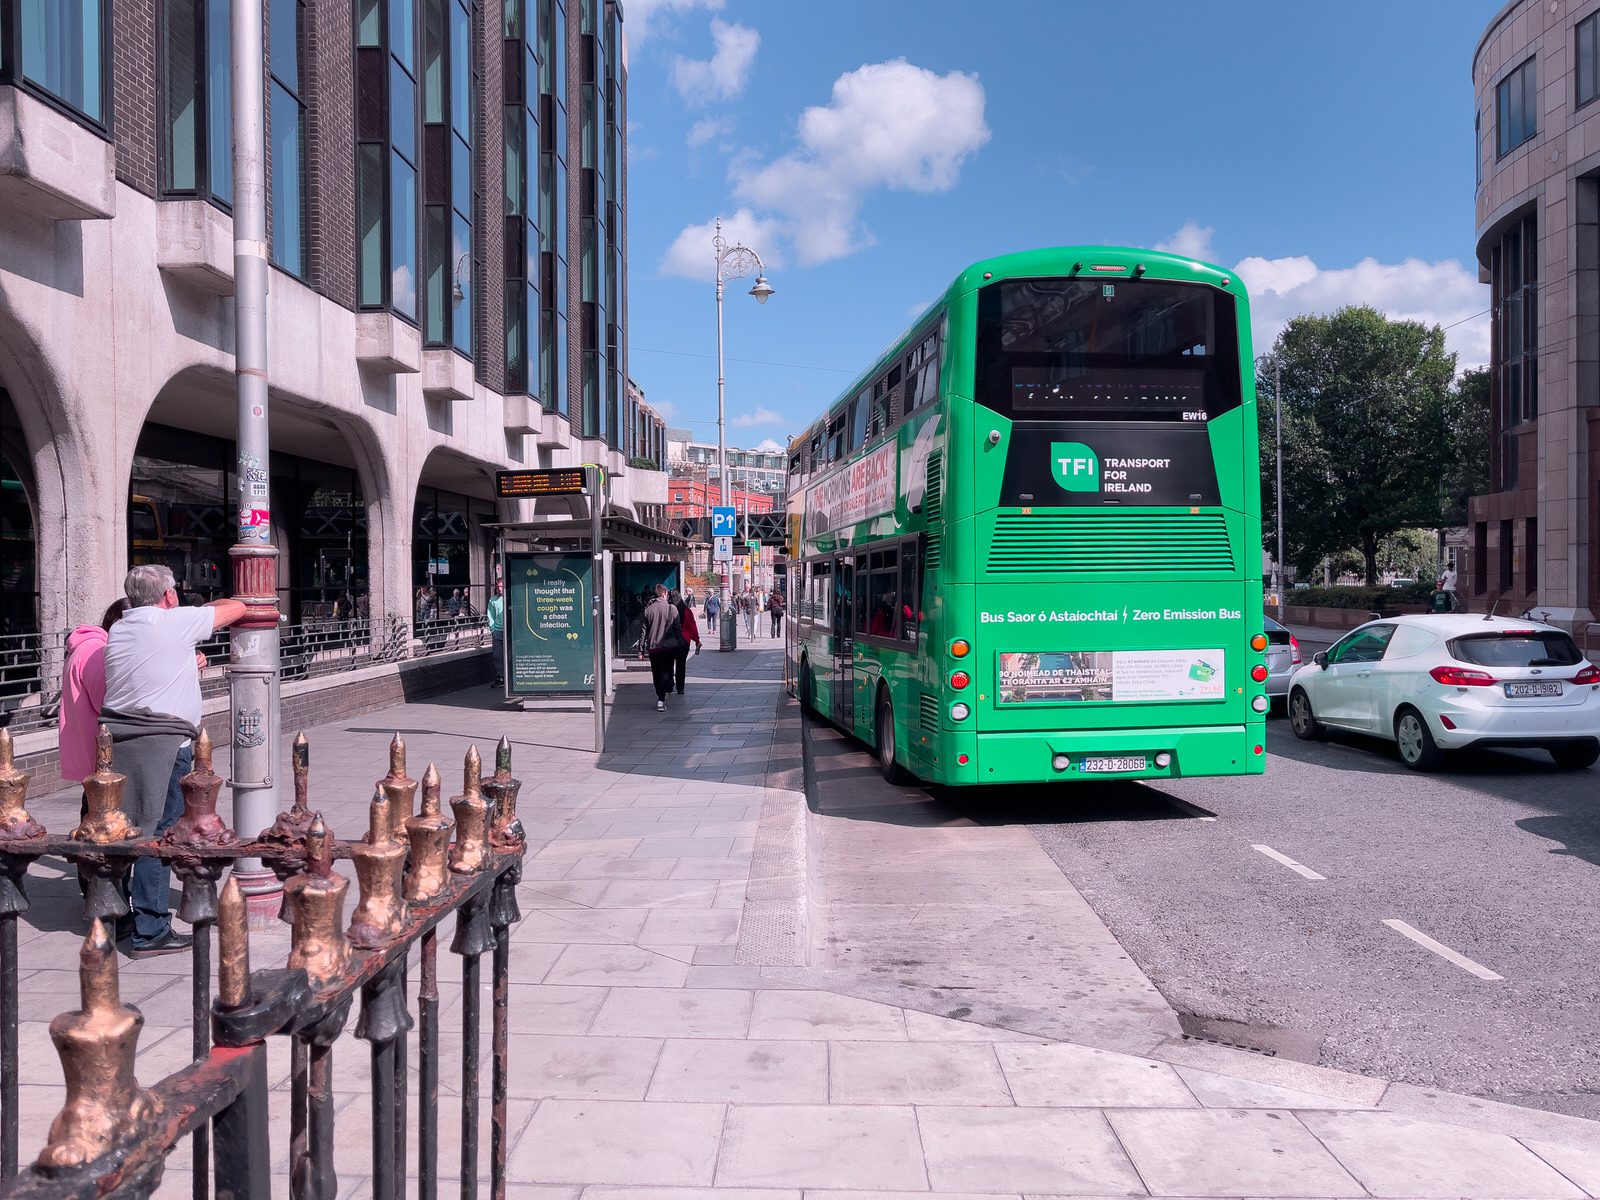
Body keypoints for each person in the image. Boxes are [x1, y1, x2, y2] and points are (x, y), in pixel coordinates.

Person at [102, 565, 247, 957]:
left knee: (125, 827)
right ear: (168, 597)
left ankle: (118, 919)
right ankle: (151, 929)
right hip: (165, 744)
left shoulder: (122, 628)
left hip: (120, 742)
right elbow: (236, 607)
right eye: (175, 592)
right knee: (161, 832)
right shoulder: (172, 622)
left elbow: (154, 667)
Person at [640, 585, 682, 712]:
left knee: (656, 672)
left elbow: (643, 631)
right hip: (668, 647)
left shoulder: (648, 610)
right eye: (667, 593)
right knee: (666, 670)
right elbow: (678, 629)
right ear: (663, 594)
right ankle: (662, 696)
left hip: (653, 647)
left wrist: (640, 650)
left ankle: (660, 694)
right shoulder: (672, 608)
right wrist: (680, 644)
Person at [671, 589, 702, 696]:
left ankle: (670, 684)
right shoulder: (686, 611)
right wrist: (697, 640)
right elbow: (692, 627)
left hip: (670, 640)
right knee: (681, 665)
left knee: (669, 663)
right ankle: (680, 687)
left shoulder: (670, 610)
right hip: (684, 640)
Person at [486, 579, 505, 687]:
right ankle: (500, 676)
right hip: (498, 631)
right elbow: (490, 615)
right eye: (498, 587)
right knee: (498, 655)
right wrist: (493, 629)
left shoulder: (509, 598)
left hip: (508, 631)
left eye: (502, 586)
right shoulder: (493, 600)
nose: (500, 589)